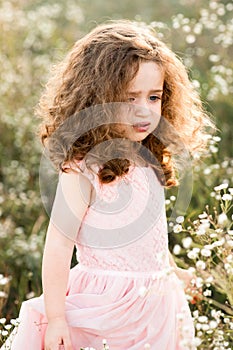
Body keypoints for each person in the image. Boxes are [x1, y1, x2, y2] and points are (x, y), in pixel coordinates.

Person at [2, 20, 214, 350]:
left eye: (154, 97)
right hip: (107, 309)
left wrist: (175, 273)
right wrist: (57, 318)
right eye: (128, 98)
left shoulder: (148, 157)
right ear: (97, 99)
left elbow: (150, 238)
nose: (144, 111)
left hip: (155, 307)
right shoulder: (83, 169)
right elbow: (58, 247)